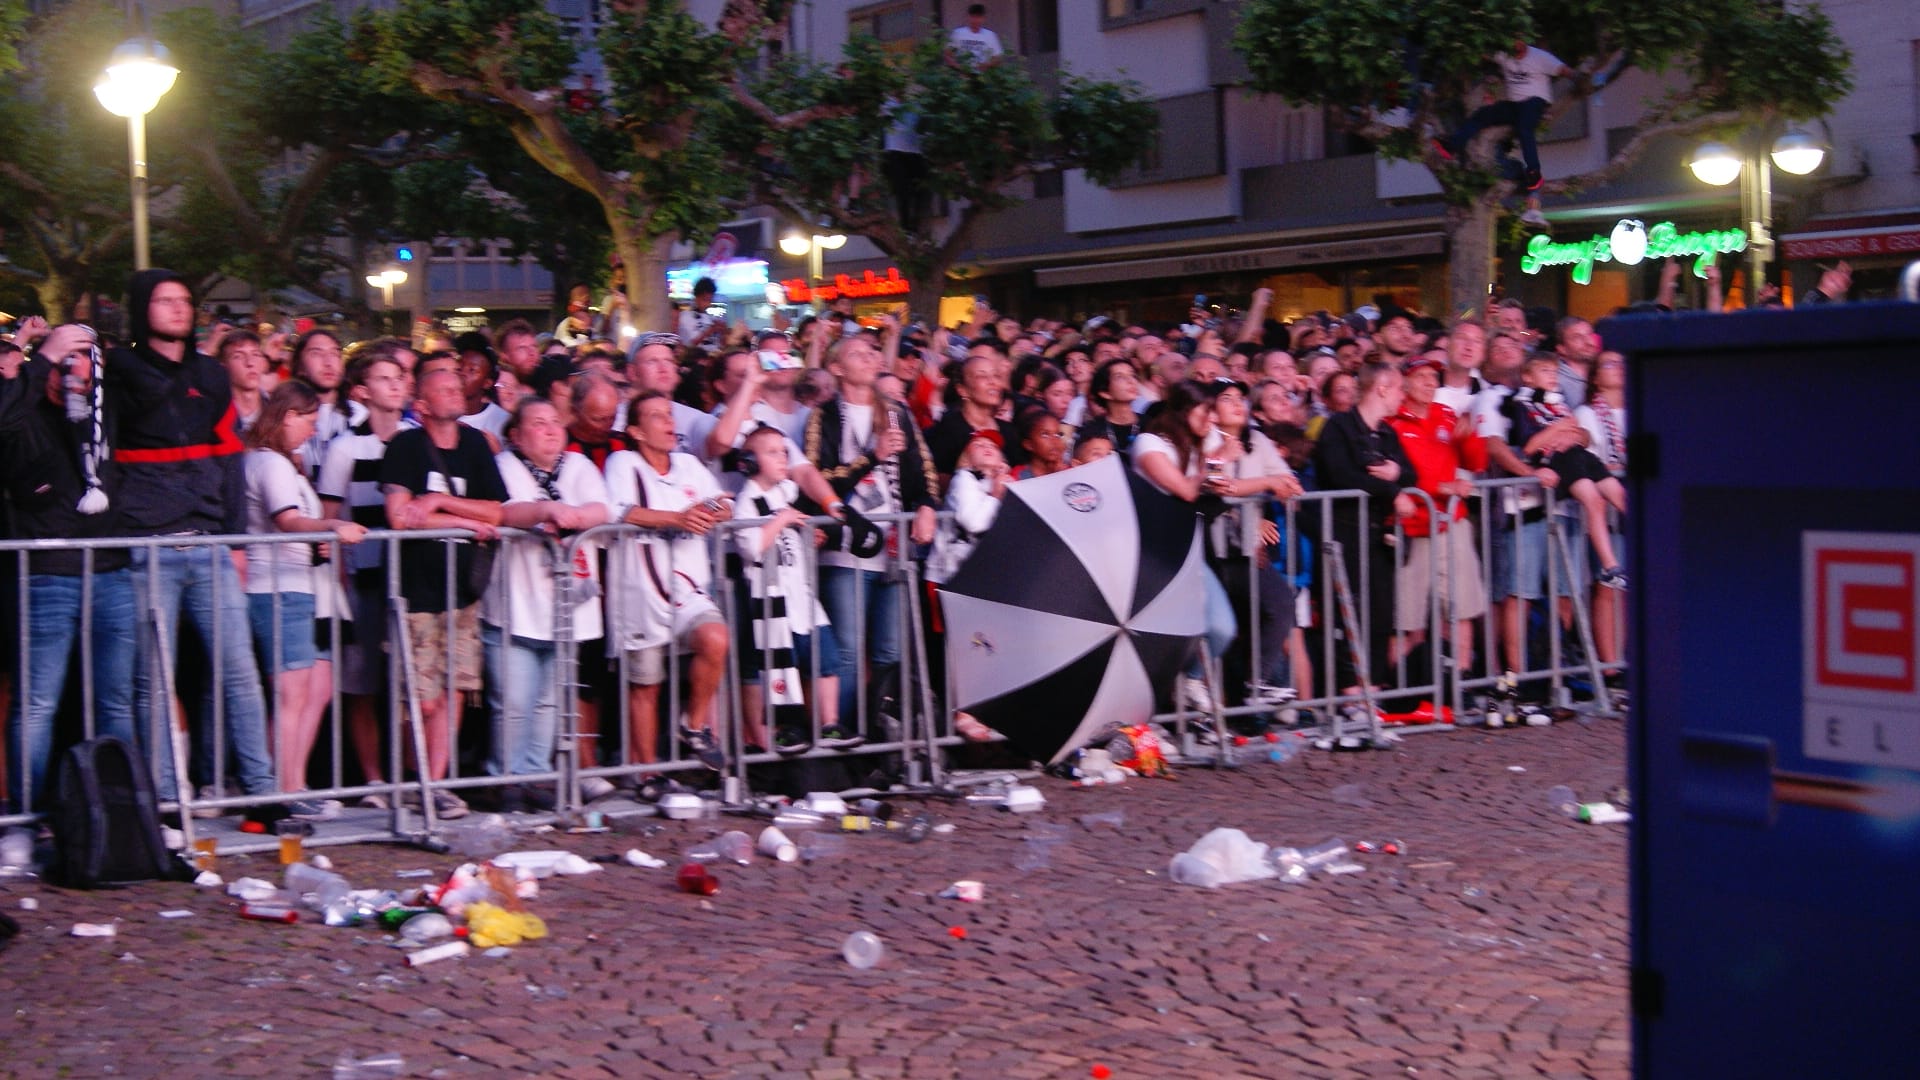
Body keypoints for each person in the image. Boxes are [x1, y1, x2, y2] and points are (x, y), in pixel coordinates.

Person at [106, 269, 279, 813]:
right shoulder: (118, 369)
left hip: (207, 541)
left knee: (239, 673)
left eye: (185, 301)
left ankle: (261, 790)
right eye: (166, 301)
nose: (179, 309)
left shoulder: (211, 373)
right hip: (144, 544)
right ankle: (161, 797)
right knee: (153, 679)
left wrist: (235, 539)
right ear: (142, 308)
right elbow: (104, 452)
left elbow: (230, 459)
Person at [0, 325, 138, 814]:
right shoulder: (24, 407)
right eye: (65, 358)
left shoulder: (105, 407)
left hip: (112, 569)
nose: (72, 367)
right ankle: (27, 818)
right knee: (37, 704)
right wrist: (39, 359)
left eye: (83, 358)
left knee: (116, 702)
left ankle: (122, 815)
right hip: (44, 572)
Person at [380, 367, 510, 820]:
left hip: (463, 590)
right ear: (423, 403)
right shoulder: (405, 446)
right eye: (444, 387)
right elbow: (398, 516)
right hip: (414, 590)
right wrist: (469, 523)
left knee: (456, 689)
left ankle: (434, 784)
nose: (456, 390)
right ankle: (415, 780)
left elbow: (496, 510)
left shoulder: (476, 445)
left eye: (458, 384)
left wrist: (438, 504)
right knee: (422, 696)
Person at [805, 333, 940, 741]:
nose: (870, 356)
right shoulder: (823, 416)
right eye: (857, 353)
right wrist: (872, 457)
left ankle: (882, 740)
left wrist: (928, 506)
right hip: (845, 549)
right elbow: (816, 481)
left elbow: (925, 470)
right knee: (846, 651)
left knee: (891, 650)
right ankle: (843, 739)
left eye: (873, 350)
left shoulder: (897, 412)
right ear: (837, 368)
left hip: (895, 549)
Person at [242, 381, 367, 817]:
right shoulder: (271, 464)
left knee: (309, 690)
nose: (313, 431)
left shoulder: (275, 463)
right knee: (292, 695)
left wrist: (320, 536)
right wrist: (330, 528)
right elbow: (288, 520)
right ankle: (282, 787)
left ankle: (292, 782)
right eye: (310, 421)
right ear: (288, 416)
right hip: (278, 586)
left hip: (295, 584)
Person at [483, 398, 612, 811]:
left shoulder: (578, 466)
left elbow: (600, 508)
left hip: (567, 605)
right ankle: (506, 778)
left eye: (556, 422)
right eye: (539, 424)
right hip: (515, 601)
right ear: (517, 435)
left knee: (550, 701)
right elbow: (508, 511)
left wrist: (570, 515)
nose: (552, 430)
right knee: (514, 700)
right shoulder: (505, 465)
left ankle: (539, 775)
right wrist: (545, 510)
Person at [604, 391, 731, 770]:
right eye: (657, 416)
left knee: (715, 638)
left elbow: (724, 503)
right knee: (646, 685)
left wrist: (707, 510)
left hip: (688, 585)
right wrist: (677, 518)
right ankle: (646, 774)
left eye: (670, 415)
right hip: (639, 590)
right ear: (637, 431)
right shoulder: (622, 462)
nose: (669, 423)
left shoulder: (689, 464)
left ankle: (692, 726)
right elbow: (619, 510)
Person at [317, 343, 415, 806]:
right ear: (362, 390)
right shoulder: (345, 447)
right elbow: (329, 515)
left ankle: (409, 775)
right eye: (384, 378)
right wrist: (339, 581)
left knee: (410, 683)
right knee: (362, 683)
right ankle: (374, 780)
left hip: (412, 578)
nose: (396, 384)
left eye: (400, 377)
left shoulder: (417, 438)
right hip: (363, 578)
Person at [1309, 360, 1419, 697]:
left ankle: (1373, 688)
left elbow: (1410, 473)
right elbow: (1341, 475)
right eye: (1400, 387)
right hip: (1344, 532)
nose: (1404, 395)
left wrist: (1394, 474)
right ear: (1382, 388)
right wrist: (1391, 490)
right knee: (1349, 612)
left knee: (1379, 612)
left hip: (1378, 534)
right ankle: (1349, 691)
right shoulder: (1338, 427)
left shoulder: (1387, 432)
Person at [1129, 381, 1239, 714]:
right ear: (1183, 409)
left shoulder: (1198, 446)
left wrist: (1271, 482)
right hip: (1149, 554)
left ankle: (1190, 679)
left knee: (1222, 626)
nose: (1212, 417)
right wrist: (1217, 457)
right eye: (1205, 409)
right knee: (1154, 639)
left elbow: (1222, 487)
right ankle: (1150, 718)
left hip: (1186, 549)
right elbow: (1187, 490)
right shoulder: (1149, 443)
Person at [731, 424, 841, 754]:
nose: (782, 459)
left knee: (826, 657)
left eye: (783, 451)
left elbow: (795, 528)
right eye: (772, 453)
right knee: (779, 666)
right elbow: (752, 547)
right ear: (750, 462)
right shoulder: (747, 501)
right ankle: (778, 731)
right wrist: (780, 520)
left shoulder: (785, 492)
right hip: (771, 600)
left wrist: (810, 535)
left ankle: (829, 723)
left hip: (801, 594)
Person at [1204, 378, 1305, 718]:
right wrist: (1261, 490)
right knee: (1226, 629)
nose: (1237, 404)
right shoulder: (1204, 440)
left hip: (1247, 547)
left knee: (1275, 606)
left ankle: (1256, 686)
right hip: (1212, 549)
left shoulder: (1257, 439)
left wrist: (1255, 507)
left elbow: (1289, 482)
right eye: (1226, 398)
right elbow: (1218, 489)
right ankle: (1241, 698)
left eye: (1240, 398)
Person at [1388, 356, 1490, 680]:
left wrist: (1468, 437)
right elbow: (1394, 475)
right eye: (1422, 377)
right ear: (1404, 382)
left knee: (1462, 608)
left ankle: (1461, 683)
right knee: (1408, 615)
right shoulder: (1391, 421)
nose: (1430, 383)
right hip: (1412, 526)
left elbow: (1477, 464)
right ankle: (1403, 687)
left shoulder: (1446, 415)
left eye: (1434, 377)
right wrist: (1440, 487)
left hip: (1451, 521)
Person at [1502, 354, 1627, 588]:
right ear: (1528, 378)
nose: (1552, 377)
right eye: (1545, 371)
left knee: (1621, 496)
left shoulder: (1559, 402)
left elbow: (1580, 433)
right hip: (1559, 461)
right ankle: (1610, 567)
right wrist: (1559, 428)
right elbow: (1530, 446)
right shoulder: (1521, 404)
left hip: (1580, 455)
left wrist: (1571, 434)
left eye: (1554, 372)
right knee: (1594, 501)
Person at [1437, 39, 1572, 190]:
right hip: (1514, 105)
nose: (1515, 47)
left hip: (1535, 102)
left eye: (1518, 43)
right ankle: (1452, 146)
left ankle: (1534, 171)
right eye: (1512, 43)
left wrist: (1581, 78)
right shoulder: (1504, 55)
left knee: (1524, 129)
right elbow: (1485, 54)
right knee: (1482, 115)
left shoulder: (1540, 57)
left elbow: (1565, 70)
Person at [290, 329, 352, 477]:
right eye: (316, 354)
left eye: (334, 354)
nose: (328, 362)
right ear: (300, 367)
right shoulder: (287, 419)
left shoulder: (360, 416)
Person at [1014, 405, 1069, 479]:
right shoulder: (1018, 476)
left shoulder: (1069, 472)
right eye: (1045, 435)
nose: (1054, 441)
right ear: (1028, 444)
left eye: (1058, 434)